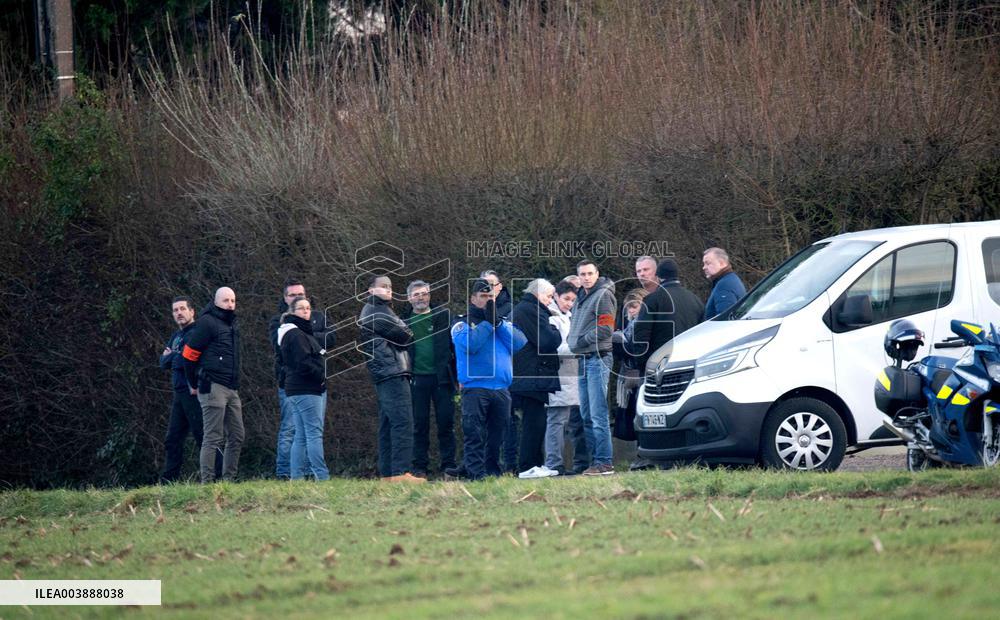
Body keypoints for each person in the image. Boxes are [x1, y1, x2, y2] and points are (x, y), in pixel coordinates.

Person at [448, 279, 527, 480]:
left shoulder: (501, 322)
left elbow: (519, 343)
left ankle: (488, 470)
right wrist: (487, 324)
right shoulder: (461, 323)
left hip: (501, 388)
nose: (488, 301)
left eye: (491, 296)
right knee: (474, 433)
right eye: (484, 297)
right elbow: (470, 344)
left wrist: (498, 324)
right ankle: (475, 473)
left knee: (496, 436)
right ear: (473, 299)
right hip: (475, 387)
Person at [359, 275, 425, 483]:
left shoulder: (379, 310)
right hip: (391, 371)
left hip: (386, 372)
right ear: (371, 290)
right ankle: (400, 472)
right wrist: (403, 328)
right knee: (403, 422)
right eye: (382, 286)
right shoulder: (377, 311)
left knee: (388, 424)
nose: (388, 289)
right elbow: (406, 335)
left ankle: (388, 473)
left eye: (389, 286)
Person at [269, 278, 335, 480]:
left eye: (305, 301)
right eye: (294, 297)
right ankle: (313, 475)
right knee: (305, 432)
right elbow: (301, 360)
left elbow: (331, 337)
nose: (305, 309)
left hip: (303, 386)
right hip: (303, 385)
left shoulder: (307, 323)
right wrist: (320, 375)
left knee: (303, 433)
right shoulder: (287, 328)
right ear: (286, 299)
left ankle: (299, 475)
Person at [182, 287, 245, 483]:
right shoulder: (207, 323)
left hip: (231, 387)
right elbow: (188, 355)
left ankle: (228, 480)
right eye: (226, 300)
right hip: (212, 385)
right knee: (213, 437)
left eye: (233, 301)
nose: (230, 304)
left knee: (237, 435)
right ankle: (207, 482)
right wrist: (193, 382)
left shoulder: (230, 325)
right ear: (216, 302)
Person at [158, 297, 220, 483]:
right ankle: (168, 481)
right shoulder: (176, 336)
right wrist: (177, 356)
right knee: (173, 439)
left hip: (194, 391)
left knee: (203, 436)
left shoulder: (197, 332)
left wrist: (175, 356)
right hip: (180, 394)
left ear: (192, 311)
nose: (179, 313)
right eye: (175, 310)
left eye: (182, 309)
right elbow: (163, 363)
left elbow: (186, 360)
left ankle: (218, 477)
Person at [402, 280, 457, 477]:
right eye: (416, 295)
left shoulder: (443, 317)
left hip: (442, 379)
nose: (421, 298)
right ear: (409, 298)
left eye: (424, 293)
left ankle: (449, 465)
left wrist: (456, 375)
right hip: (417, 380)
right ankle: (419, 467)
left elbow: (455, 346)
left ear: (430, 295)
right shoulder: (403, 323)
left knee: (446, 423)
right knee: (419, 425)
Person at [567, 260, 618, 476]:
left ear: (597, 274)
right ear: (578, 277)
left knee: (598, 415)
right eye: (582, 274)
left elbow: (606, 328)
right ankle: (594, 462)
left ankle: (604, 462)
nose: (586, 277)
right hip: (583, 360)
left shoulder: (603, 295)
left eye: (590, 273)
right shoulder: (581, 296)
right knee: (587, 414)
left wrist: (580, 341)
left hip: (598, 358)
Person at [510, 279, 562, 479]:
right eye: (549, 296)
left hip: (532, 373)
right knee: (534, 421)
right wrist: (555, 328)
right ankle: (527, 466)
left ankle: (536, 464)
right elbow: (547, 341)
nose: (551, 301)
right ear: (538, 293)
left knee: (537, 420)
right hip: (531, 373)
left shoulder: (528, 309)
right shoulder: (530, 310)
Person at [542, 279, 589, 476]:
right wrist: (578, 347)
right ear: (556, 297)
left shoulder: (569, 317)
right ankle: (554, 463)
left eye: (572, 300)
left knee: (570, 422)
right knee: (556, 421)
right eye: (566, 299)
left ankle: (567, 463)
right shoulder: (551, 319)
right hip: (560, 376)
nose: (569, 303)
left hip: (573, 376)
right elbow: (553, 348)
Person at [630, 258, 704, 373]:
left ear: (658, 276)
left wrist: (641, 365)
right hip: (690, 363)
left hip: (660, 364)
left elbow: (641, 336)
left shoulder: (652, 300)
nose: (642, 273)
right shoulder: (695, 300)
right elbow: (702, 333)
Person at [480, 269, 517, 472]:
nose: (488, 289)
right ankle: (486, 464)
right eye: (483, 285)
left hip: (504, 371)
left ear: (500, 286)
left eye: (491, 284)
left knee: (507, 420)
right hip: (482, 372)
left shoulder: (509, 309)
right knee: (484, 422)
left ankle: (510, 464)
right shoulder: (476, 309)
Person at [611, 288, 649, 443]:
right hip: (629, 372)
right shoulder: (629, 324)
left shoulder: (643, 324)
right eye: (629, 307)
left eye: (635, 306)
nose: (631, 310)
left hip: (639, 371)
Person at [703, 247, 747, 319]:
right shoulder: (732, 279)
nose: (704, 267)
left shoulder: (724, 285)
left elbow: (725, 319)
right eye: (704, 264)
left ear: (721, 263)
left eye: (708, 263)